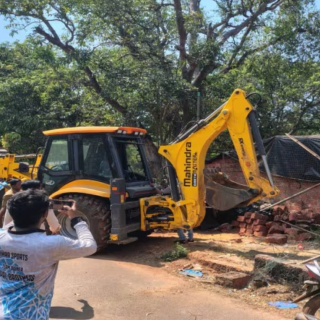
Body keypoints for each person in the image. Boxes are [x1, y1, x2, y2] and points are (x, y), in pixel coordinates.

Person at [0, 189, 97, 319]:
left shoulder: (2, 236)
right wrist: (76, 219)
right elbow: (90, 246)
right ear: (46, 213)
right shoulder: (51, 244)